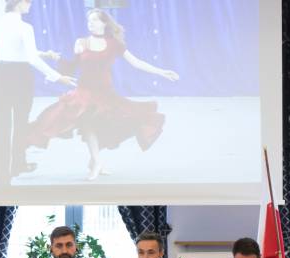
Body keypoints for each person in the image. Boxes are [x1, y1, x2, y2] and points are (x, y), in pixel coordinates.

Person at [28, 9, 179, 180]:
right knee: (87, 124)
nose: (90, 23)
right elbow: (71, 67)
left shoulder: (114, 44)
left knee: (107, 126)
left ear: (104, 23)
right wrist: (56, 59)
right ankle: (97, 162)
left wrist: (161, 72)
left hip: (105, 94)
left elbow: (136, 62)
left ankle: (94, 161)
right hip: (84, 93)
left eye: (94, 20)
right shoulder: (81, 42)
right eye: (89, 20)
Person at [0, 0, 75, 185]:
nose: (30, 4)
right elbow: (31, 58)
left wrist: (44, 54)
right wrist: (58, 77)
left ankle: (3, 176)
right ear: (18, 3)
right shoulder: (25, 27)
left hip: (1, 74)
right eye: (27, 1)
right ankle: (17, 163)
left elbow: (17, 50)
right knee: (20, 121)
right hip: (20, 75)